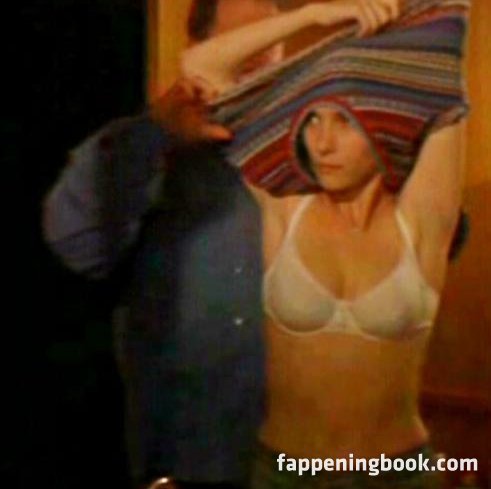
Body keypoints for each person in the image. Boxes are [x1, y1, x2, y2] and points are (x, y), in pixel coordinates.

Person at [181, 0, 468, 486]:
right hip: (286, 471)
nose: (322, 143)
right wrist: (312, 16)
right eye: (312, 120)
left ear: (379, 124)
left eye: (344, 121)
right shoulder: (283, 204)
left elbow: (447, 60)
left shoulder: (421, 220)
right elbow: (200, 67)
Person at [43, 1, 285, 487]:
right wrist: (154, 134)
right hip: (186, 463)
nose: (257, 57)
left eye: (270, 43)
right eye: (242, 42)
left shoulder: (321, 155)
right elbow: (75, 244)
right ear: (198, 50)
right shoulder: (145, 154)